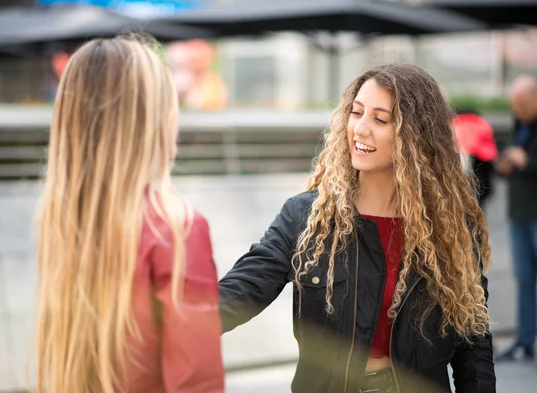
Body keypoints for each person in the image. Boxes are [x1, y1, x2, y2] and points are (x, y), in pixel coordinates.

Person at [219, 64, 495, 393]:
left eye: (380, 119)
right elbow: (245, 287)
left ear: (416, 135)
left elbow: (472, 344)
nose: (360, 129)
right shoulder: (306, 216)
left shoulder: (450, 229)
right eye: (356, 112)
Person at [34, 36, 224, 393]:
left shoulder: (65, 221)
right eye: (169, 104)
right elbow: (197, 380)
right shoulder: (175, 228)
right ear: (148, 123)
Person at [495, 75, 537, 362]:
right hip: (518, 214)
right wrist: (505, 165)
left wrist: (526, 161)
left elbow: (528, 161)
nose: (518, 110)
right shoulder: (519, 123)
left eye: (523, 104)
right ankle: (524, 342)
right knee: (523, 279)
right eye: (515, 106)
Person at [451, 107, 499, 209]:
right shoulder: (481, 123)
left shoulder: (454, 124)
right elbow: (491, 155)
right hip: (481, 182)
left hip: (457, 184)